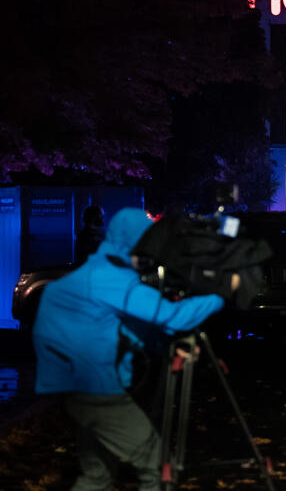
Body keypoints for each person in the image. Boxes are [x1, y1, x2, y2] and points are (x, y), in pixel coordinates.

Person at [33, 208, 234, 491]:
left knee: (97, 475)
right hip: (94, 389)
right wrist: (220, 294)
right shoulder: (109, 277)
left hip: (74, 385)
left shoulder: (103, 270)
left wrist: (164, 345)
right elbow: (173, 316)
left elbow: (125, 327)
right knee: (155, 466)